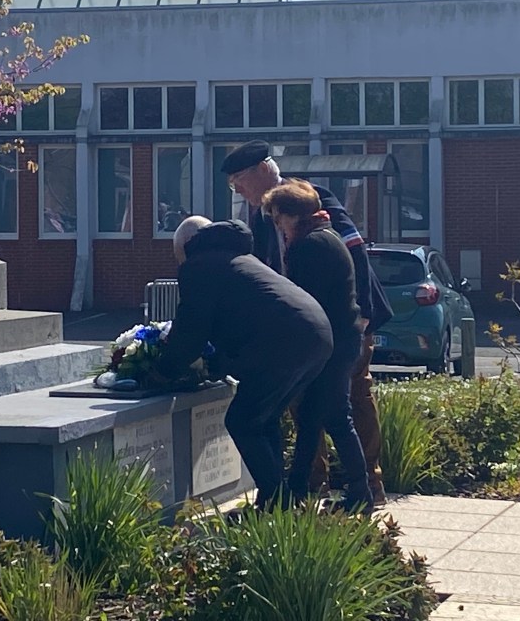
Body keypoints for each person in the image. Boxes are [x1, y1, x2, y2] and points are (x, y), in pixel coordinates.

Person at [220, 139, 393, 505]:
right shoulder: (262, 216)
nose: (238, 191)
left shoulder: (309, 200)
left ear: (263, 170)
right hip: (308, 331)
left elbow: (355, 250)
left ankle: (368, 485)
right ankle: (311, 485)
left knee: (350, 401)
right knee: (309, 408)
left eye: (239, 181)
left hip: (344, 322)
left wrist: (361, 314)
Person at [157, 216, 332, 510]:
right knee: (264, 418)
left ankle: (278, 503)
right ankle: (272, 501)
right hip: (316, 334)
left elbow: (192, 330)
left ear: (186, 246)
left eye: (178, 256)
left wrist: (162, 371)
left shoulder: (198, 266)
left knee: (242, 421)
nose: (179, 263)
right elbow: (237, 316)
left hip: (284, 341)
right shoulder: (238, 258)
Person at [262, 179, 374, 513]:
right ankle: (298, 487)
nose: (278, 226)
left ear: (292, 214)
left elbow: (301, 301)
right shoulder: (327, 235)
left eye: (278, 218)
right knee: (312, 417)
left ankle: (361, 493)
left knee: (336, 418)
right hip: (342, 340)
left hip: (330, 346)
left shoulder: (309, 245)